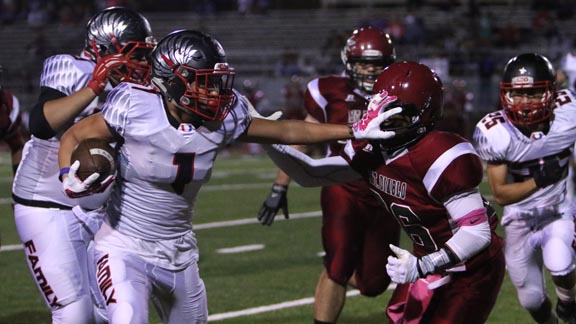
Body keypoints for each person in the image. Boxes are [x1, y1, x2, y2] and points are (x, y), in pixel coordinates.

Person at [56, 29, 402, 324]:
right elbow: (75, 135)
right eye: (204, 82)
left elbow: (286, 130)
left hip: (179, 251)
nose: (215, 92)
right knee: (128, 316)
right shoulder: (133, 104)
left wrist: (354, 129)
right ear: (173, 79)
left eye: (217, 81)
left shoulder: (226, 114)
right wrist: (67, 175)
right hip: (122, 245)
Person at [262, 61, 506, 323]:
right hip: (424, 258)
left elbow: (477, 232)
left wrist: (424, 265)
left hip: (470, 268)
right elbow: (312, 173)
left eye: (394, 114)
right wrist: (269, 142)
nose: (383, 120)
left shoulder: (440, 154)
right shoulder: (370, 149)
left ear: (422, 116)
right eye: (379, 108)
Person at [11, 7, 155, 324]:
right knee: (74, 311)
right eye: (136, 54)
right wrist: (95, 85)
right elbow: (40, 124)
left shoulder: (139, 88)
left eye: (146, 55)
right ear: (105, 50)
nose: (145, 64)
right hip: (46, 203)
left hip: (99, 208)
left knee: (112, 308)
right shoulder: (69, 66)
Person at [257, 26, 400, 324]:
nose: (370, 71)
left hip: (384, 191)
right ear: (349, 61)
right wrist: (279, 187)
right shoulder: (328, 91)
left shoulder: (400, 92)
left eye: (377, 64)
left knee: (374, 284)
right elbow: (303, 139)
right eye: (363, 63)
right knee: (337, 264)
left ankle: (345, 267)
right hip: (341, 187)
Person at [473, 53, 576, 324]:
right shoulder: (496, 132)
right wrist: (539, 180)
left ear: (551, 92)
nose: (525, 102)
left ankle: (568, 301)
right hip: (519, 220)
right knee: (530, 299)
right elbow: (500, 194)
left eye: (533, 93)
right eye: (518, 94)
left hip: (558, 211)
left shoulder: (569, 113)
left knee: (560, 261)